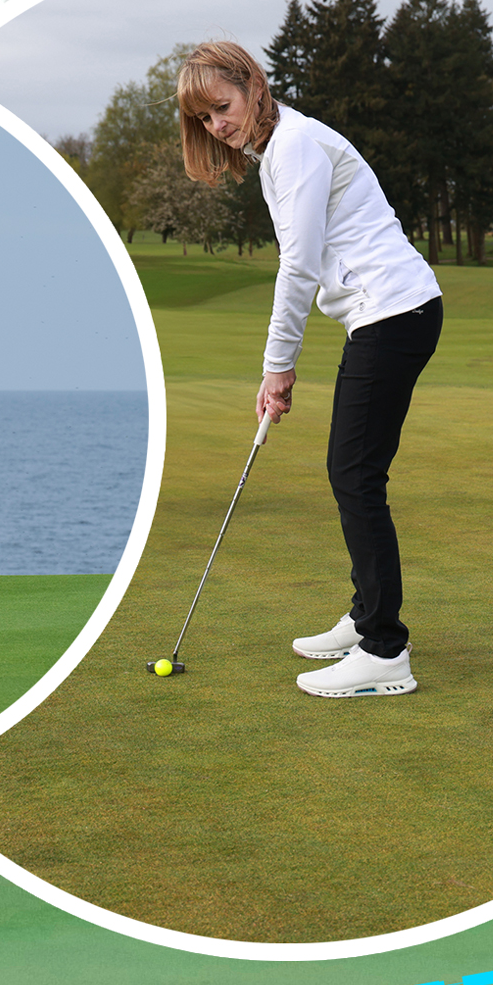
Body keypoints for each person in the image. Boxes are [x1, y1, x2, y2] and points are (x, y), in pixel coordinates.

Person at [175, 40, 446, 698]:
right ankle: (364, 620)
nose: (219, 125)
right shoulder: (285, 147)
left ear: (251, 85)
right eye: (205, 119)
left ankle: (385, 651)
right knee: (354, 472)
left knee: (354, 475)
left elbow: (298, 265)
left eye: (223, 106)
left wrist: (277, 369)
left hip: (393, 312)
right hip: (390, 313)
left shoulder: (293, 146)